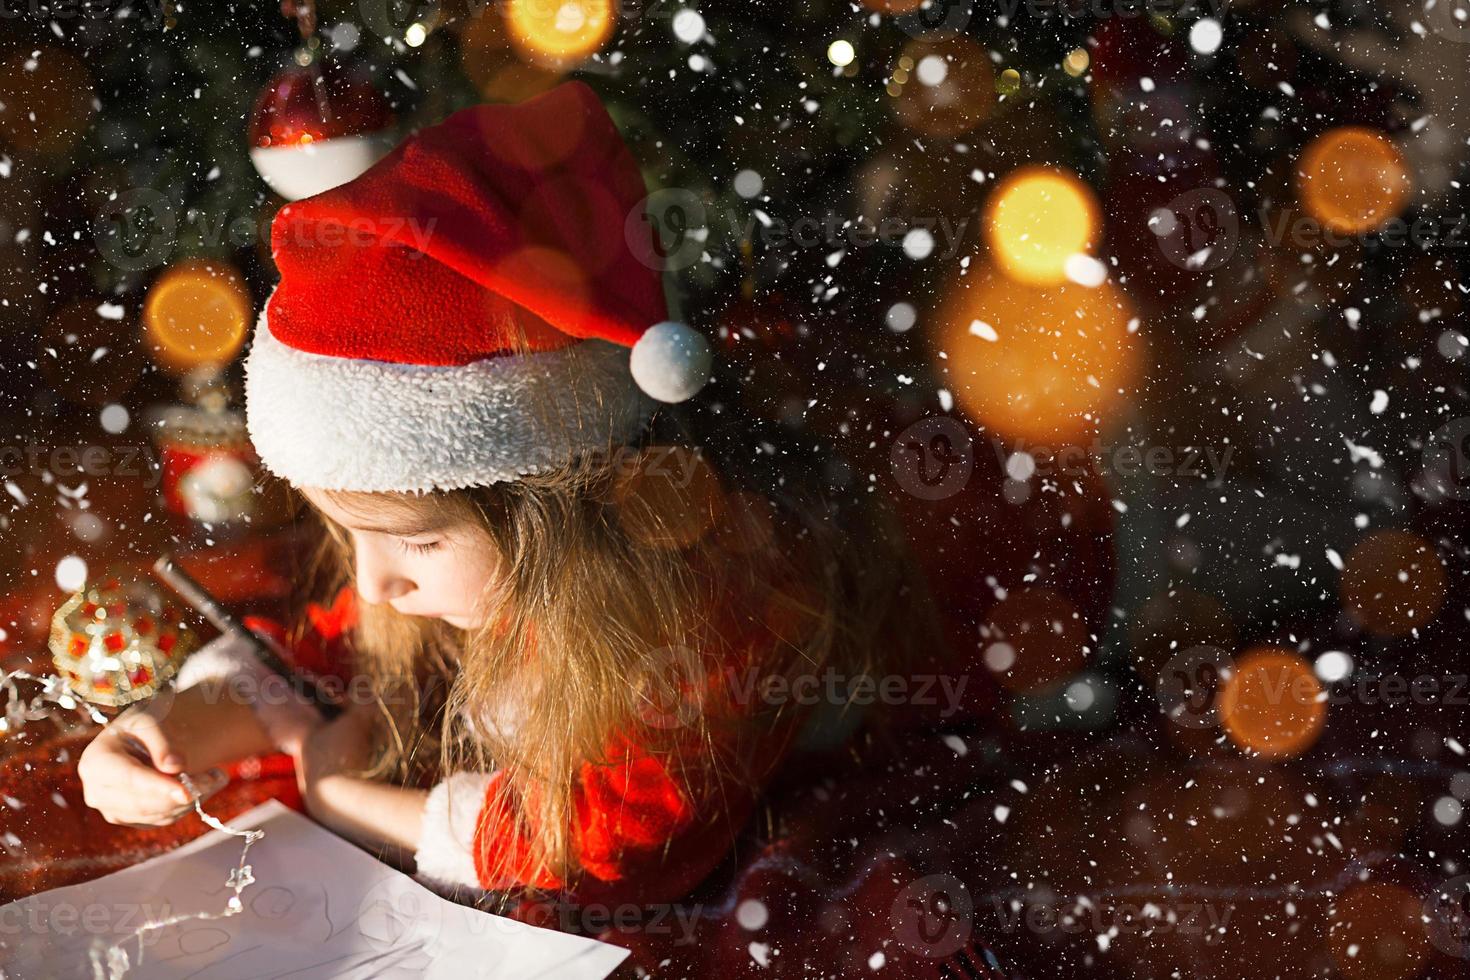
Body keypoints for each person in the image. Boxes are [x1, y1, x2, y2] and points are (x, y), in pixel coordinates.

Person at [76, 80, 943, 909]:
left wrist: (341, 796)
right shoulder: (474, 571)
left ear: (555, 517)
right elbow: (319, 659)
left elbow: (603, 849)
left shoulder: (699, 624)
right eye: (352, 536)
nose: (376, 584)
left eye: (414, 542)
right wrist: (172, 731)